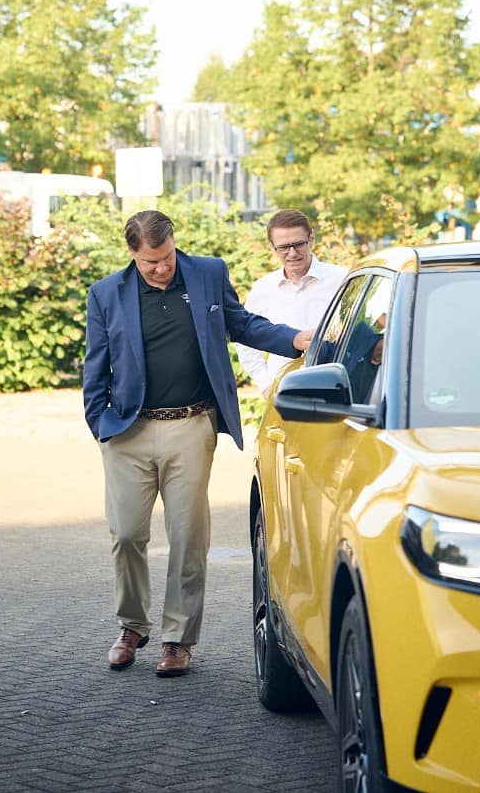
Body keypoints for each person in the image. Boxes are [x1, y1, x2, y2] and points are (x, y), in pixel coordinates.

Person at [83, 209, 312, 677]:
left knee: (188, 536)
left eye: (166, 257)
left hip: (190, 425)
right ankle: (132, 626)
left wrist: (296, 340)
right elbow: (95, 365)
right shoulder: (106, 294)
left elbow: (243, 324)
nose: (160, 268)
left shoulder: (207, 273)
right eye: (150, 262)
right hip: (127, 431)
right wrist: (100, 425)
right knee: (126, 534)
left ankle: (177, 639)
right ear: (132, 254)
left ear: (174, 243)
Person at [235, 209, 347, 397]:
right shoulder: (263, 288)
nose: (292, 253)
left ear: (311, 239)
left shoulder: (342, 279)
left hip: (335, 390)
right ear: (272, 247)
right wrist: (265, 385)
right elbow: (245, 339)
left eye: (298, 244)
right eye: (284, 247)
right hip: (283, 394)